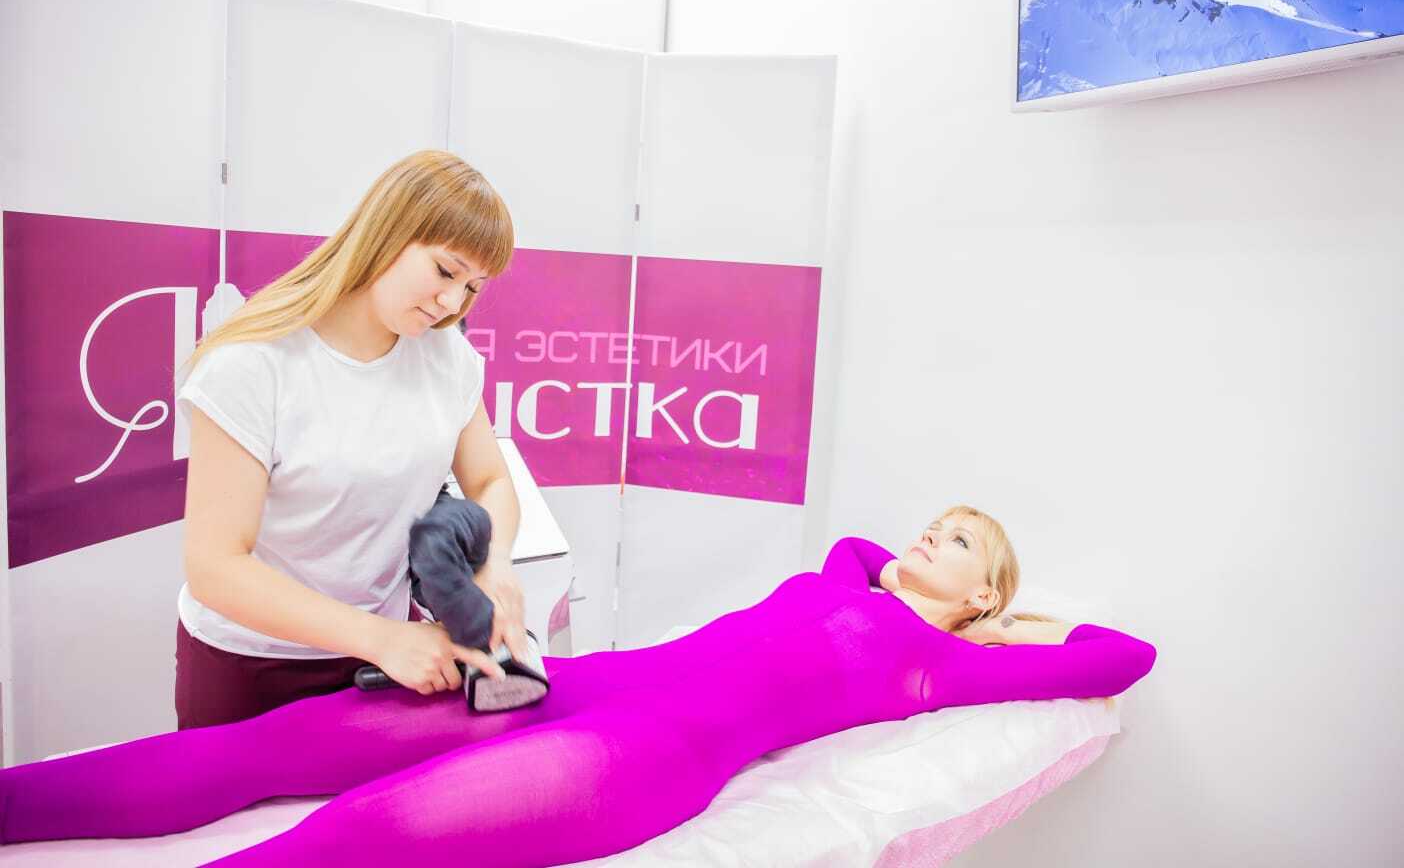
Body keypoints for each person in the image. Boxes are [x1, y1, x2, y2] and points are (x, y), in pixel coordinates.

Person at [0, 505, 1156, 866]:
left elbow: (1120, 655)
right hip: (562, 685)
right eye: (936, 521)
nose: (931, 533)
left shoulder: (939, 662)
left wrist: (1003, 622)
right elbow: (856, 549)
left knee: (349, 839)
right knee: (279, 748)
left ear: (982, 593)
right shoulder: (841, 577)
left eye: (961, 541)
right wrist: (927, 573)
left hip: (643, 757)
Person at [171, 149, 528, 730]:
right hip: (252, 665)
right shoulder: (252, 364)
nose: (452, 303)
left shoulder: (447, 357)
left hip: (389, 659)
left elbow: (490, 480)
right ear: (387, 232)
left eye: (471, 287)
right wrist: (380, 638)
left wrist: (496, 563)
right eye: (446, 271)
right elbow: (215, 567)